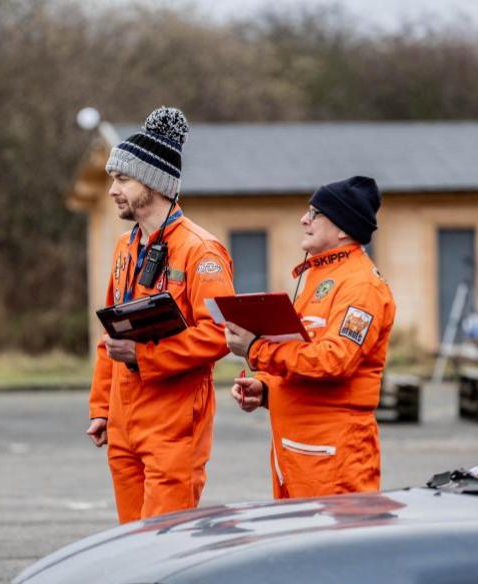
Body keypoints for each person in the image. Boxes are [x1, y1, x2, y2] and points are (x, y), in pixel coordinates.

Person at [87, 106, 235, 523]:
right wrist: (101, 409)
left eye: (122, 179)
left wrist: (146, 357)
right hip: (123, 424)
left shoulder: (200, 250)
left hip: (173, 427)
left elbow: (220, 333)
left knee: (164, 549)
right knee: (130, 548)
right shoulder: (125, 246)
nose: (113, 189)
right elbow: (110, 333)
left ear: (153, 183)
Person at [225, 176, 396, 499]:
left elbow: (333, 361)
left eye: (315, 213)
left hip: (334, 461)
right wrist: (265, 389)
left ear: (343, 228)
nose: (304, 219)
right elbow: (301, 353)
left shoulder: (362, 287)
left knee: (336, 548)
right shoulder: (320, 277)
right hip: (299, 456)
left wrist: (255, 349)